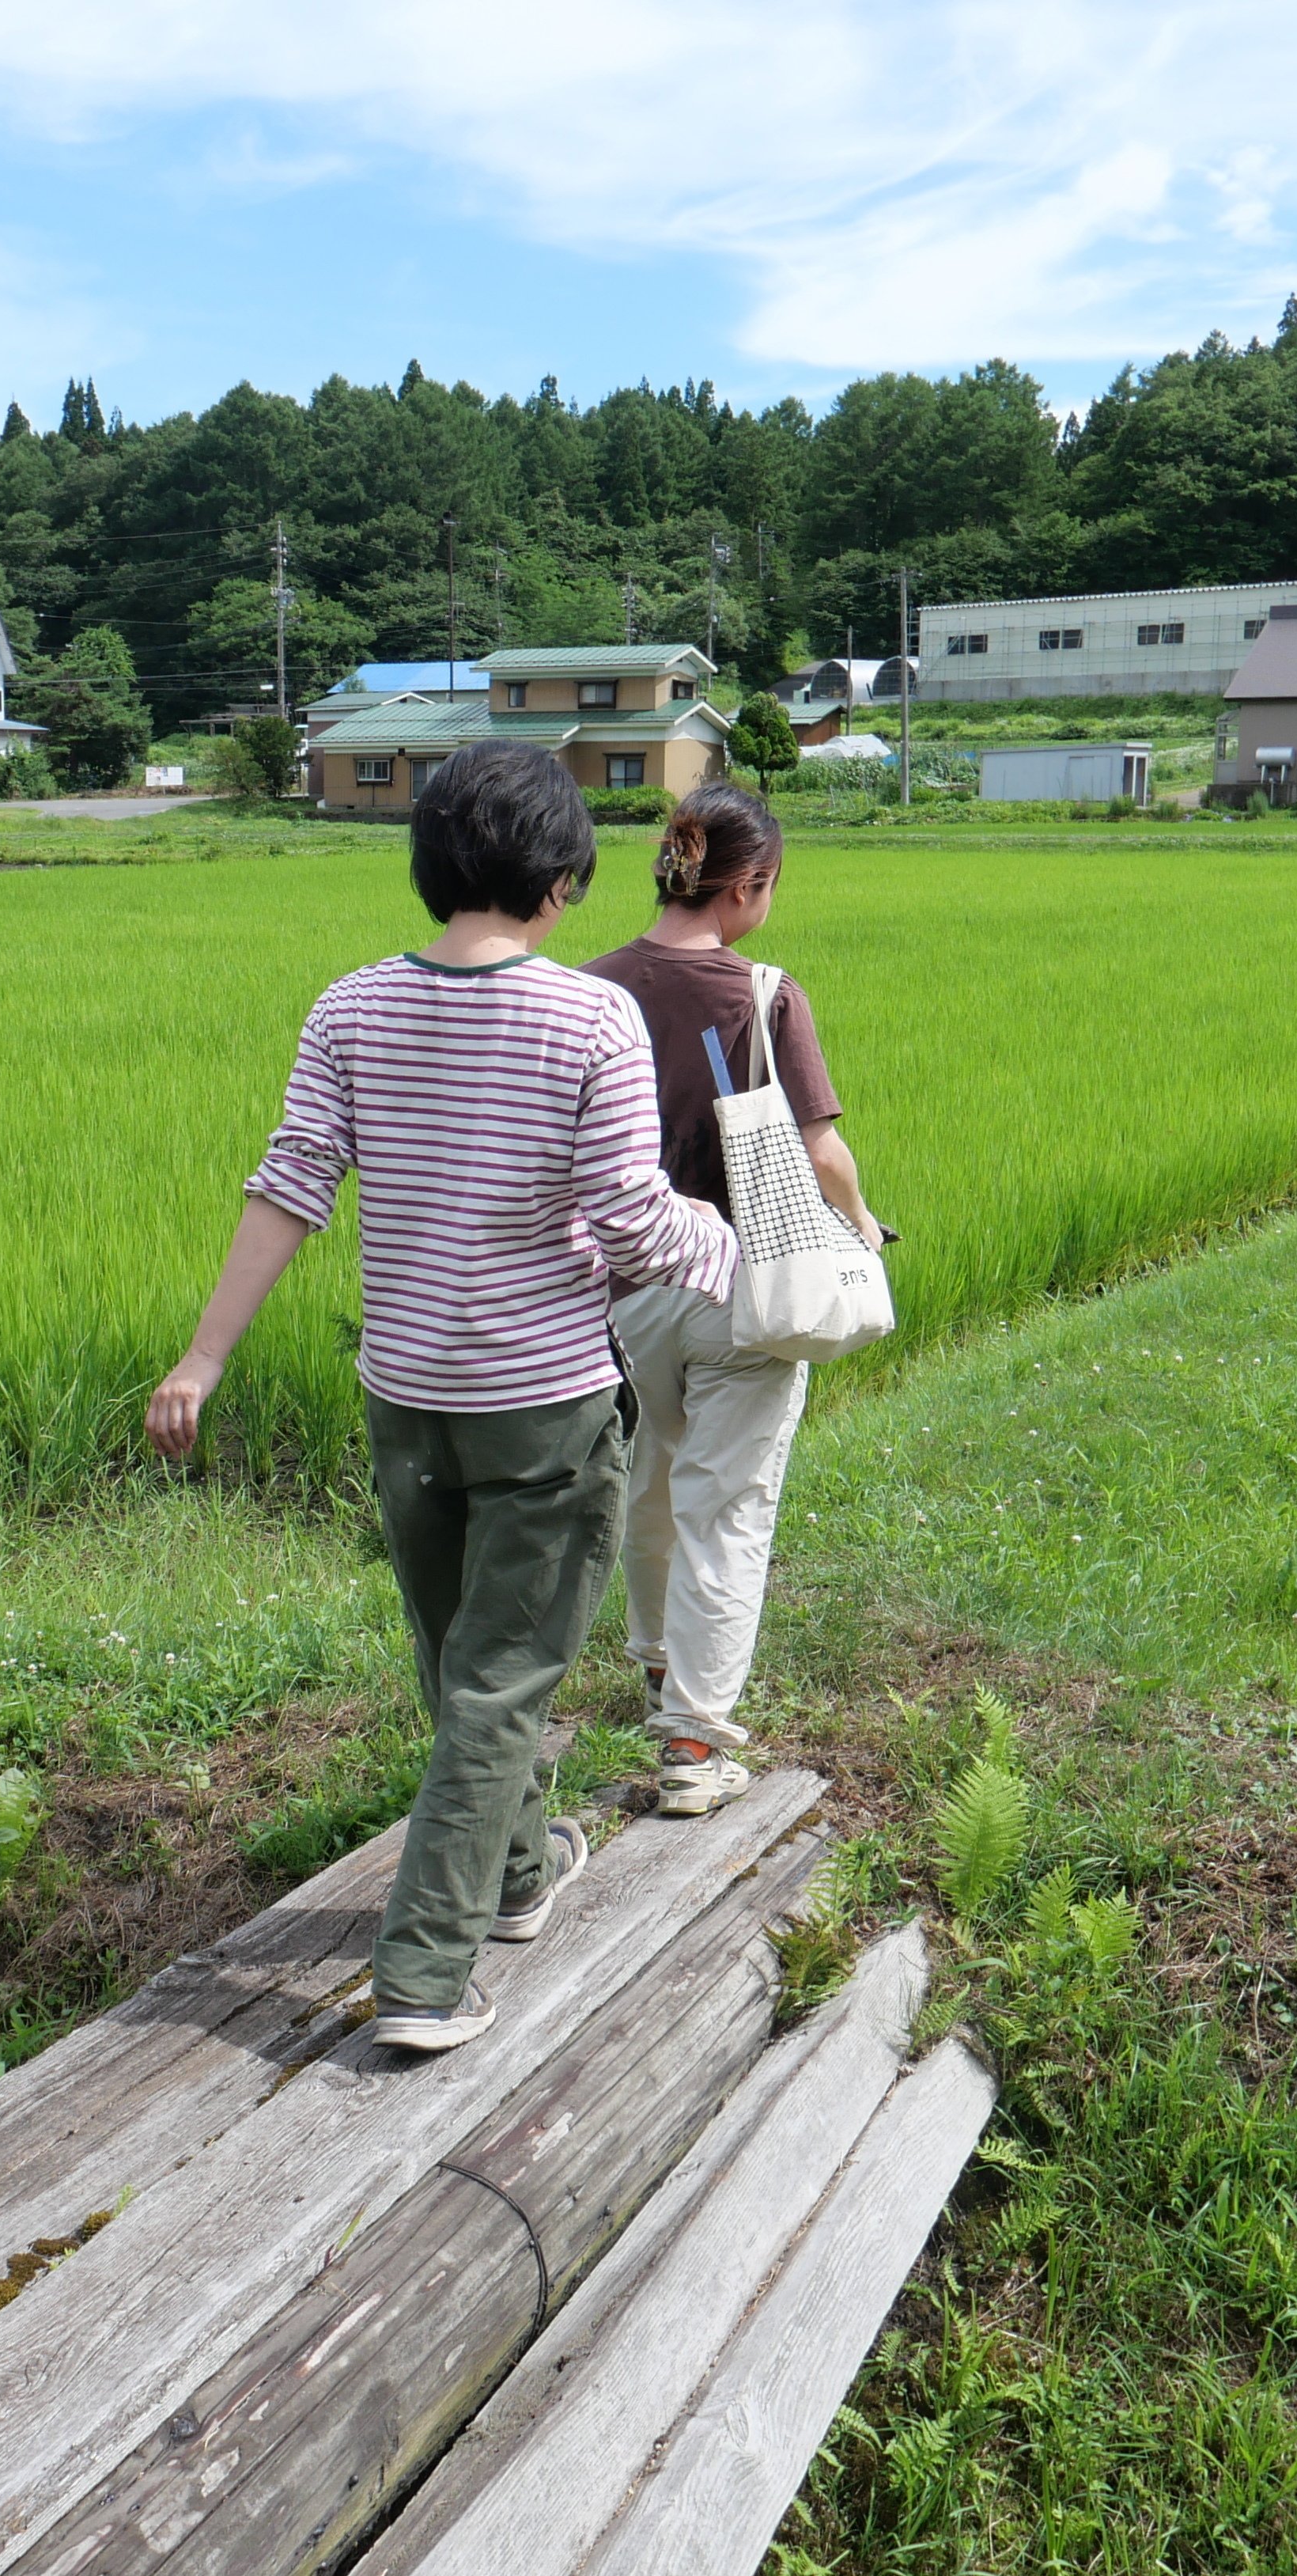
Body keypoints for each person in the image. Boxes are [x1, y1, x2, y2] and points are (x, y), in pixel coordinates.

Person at [148, 741, 735, 2054]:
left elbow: (292, 1181)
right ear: (564, 879)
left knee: (461, 1656)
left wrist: (204, 1358)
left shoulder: (349, 1007)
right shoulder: (592, 1019)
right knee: (499, 1680)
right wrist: (738, 1249)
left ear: (431, 866)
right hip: (541, 1405)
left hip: (406, 1398)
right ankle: (420, 1974)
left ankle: (519, 1875)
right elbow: (632, 1224)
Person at [582, 779, 881, 1816]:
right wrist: (861, 1223)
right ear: (745, 884)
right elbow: (819, 1148)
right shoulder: (764, 995)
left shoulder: (591, 989)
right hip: (744, 1290)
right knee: (729, 1505)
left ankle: (663, 1680)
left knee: (657, 1485)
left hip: (629, 1299)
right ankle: (695, 1750)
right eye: (770, 886)